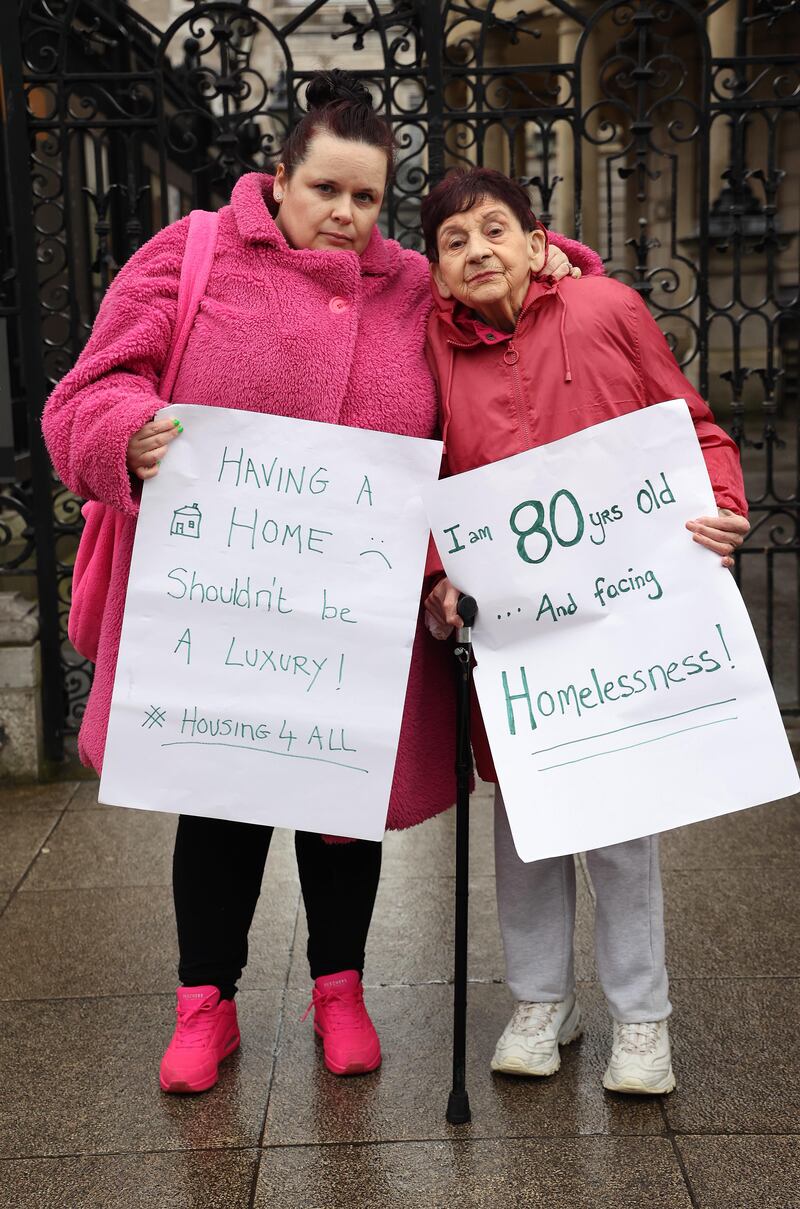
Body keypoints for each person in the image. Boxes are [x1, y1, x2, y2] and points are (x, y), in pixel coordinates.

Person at [42, 77, 601, 1095]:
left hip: (357, 602)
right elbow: (93, 387)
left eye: (367, 198)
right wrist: (129, 432)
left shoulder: (406, 280)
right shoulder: (192, 252)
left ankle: (338, 990)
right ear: (280, 178)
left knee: (342, 804)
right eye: (326, 190)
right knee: (218, 800)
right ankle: (202, 1005)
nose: (345, 216)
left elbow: (501, 289)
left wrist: (564, 259)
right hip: (219, 602)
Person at [420, 167, 749, 1095]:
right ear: (438, 273)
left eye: (494, 229)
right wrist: (439, 576)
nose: (478, 249)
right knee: (524, 823)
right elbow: (428, 486)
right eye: (454, 241)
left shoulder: (607, 310)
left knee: (621, 821)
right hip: (514, 634)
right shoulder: (432, 354)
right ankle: (541, 1000)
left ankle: (641, 1019)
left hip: (620, 622)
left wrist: (720, 504)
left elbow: (694, 430)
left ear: (536, 241)